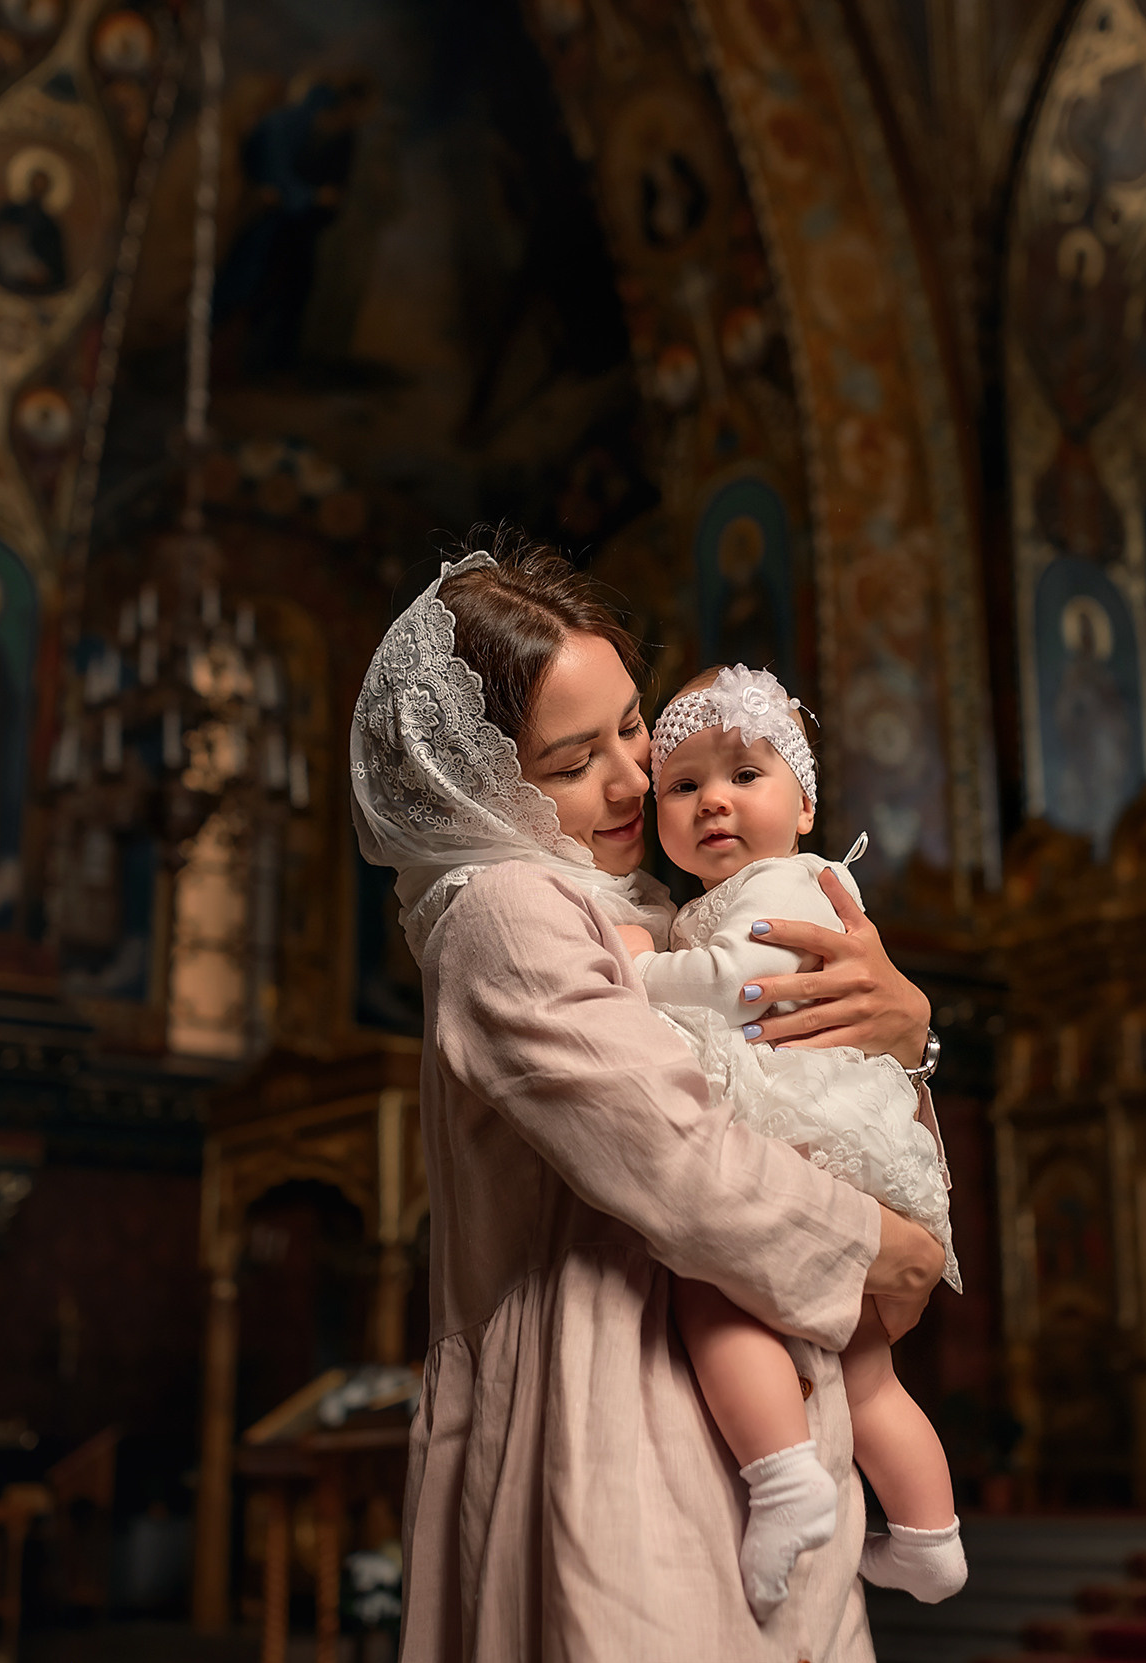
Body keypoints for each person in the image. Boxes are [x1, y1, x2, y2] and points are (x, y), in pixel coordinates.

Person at [350, 539, 945, 1659]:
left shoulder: (673, 909)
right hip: (608, 1400)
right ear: (480, 783)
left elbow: (815, 1098)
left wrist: (904, 1035)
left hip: (749, 1383)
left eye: (631, 725)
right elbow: (679, 1156)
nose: (633, 777)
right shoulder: (506, 913)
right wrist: (882, 1245)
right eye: (575, 760)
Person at [622, 663, 966, 1619]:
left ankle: (783, 1479)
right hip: (848, 1151)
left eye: (744, 774)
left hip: (815, 1145)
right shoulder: (737, 890)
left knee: (712, 1292)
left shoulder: (793, 884)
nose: (713, 802)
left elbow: (746, 984)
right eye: (683, 786)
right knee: (866, 1372)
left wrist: (644, 973)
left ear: (805, 802)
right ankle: (932, 1540)